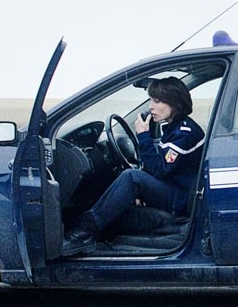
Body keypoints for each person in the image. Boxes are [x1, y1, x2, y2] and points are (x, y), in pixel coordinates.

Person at [62, 77, 207, 255]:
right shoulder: (175, 127)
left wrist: (143, 136)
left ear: (174, 102)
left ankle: (82, 233)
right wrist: (141, 190)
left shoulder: (186, 133)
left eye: (157, 100)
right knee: (131, 184)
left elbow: (160, 169)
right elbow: (161, 168)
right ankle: (91, 230)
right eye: (151, 100)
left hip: (179, 199)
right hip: (174, 190)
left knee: (131, 177)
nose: (150, 107)